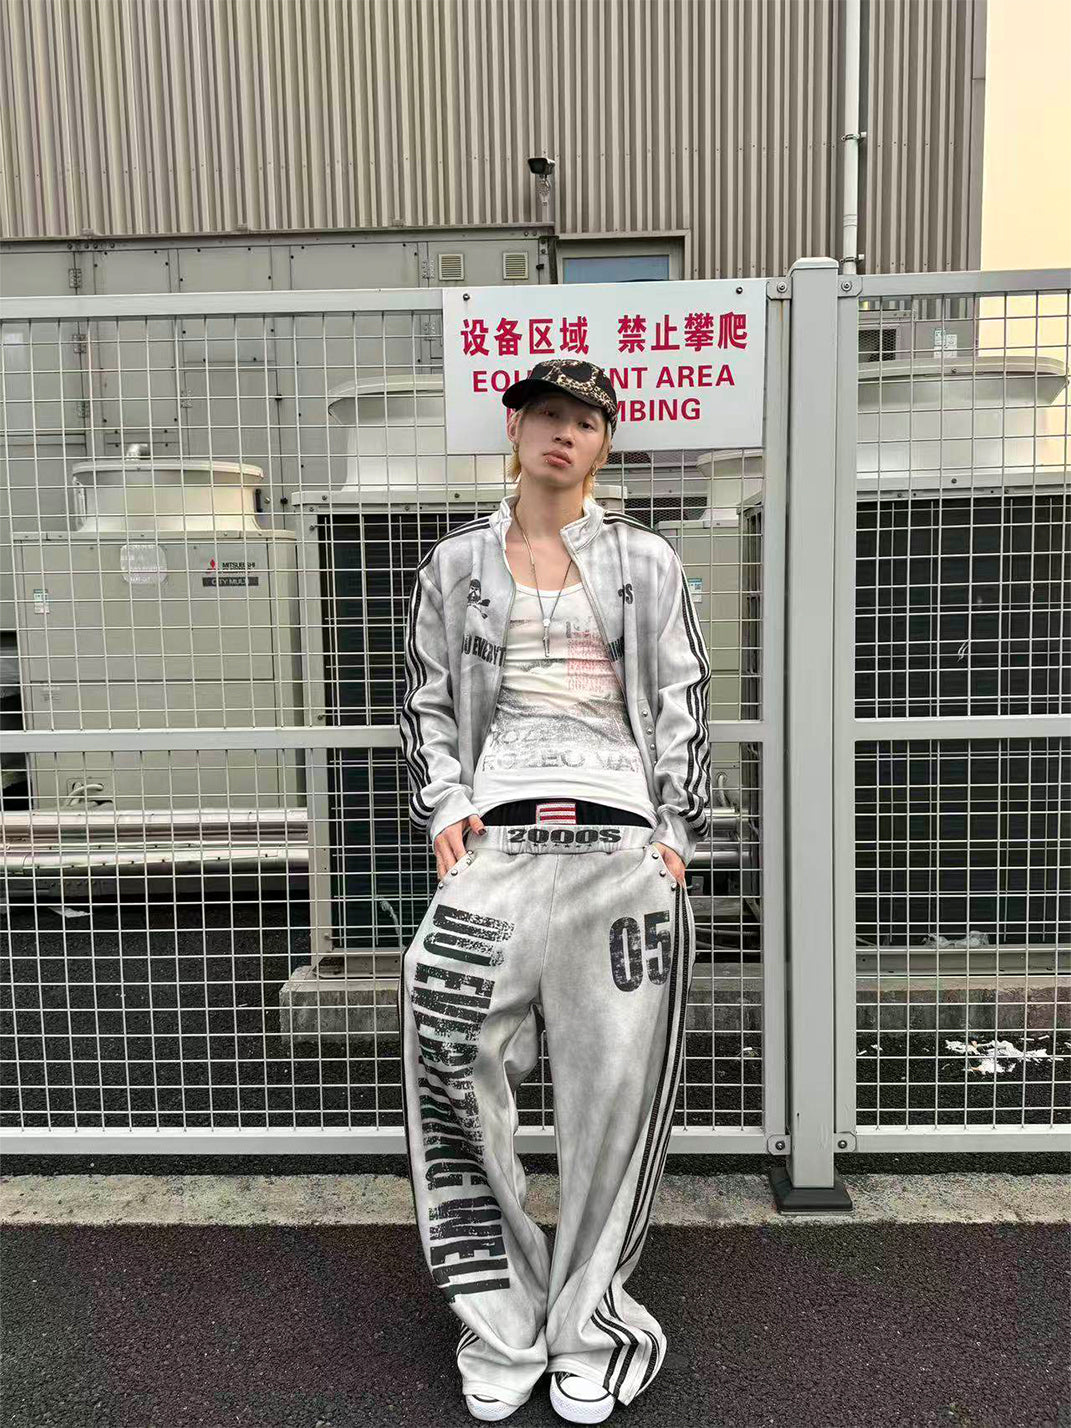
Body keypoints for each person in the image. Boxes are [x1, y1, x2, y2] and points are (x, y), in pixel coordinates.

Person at [398, 357, 711, 1423]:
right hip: (499, 841)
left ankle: (589, 1321)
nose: (561, 433)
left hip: (620, 846)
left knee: (611, 1093)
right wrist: (446, 807)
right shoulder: (456, 562)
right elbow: (426, 701)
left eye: (583, 419)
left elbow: (683, 700)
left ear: (605, 443)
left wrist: (674, 833)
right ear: (515, 430)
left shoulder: (646, 560)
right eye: (544, 414)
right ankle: (500, 1316)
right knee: (448, 1049)